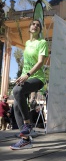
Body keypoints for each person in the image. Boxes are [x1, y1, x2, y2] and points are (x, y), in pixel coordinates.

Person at [10, 19, 48, 150]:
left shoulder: (42, 42)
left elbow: (40, 62)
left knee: (16, 91)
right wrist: (22, 76)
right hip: (26, 77)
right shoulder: (27, 43)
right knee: (16, 105)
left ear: (40, 30)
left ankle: (28, 124)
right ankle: (25, 140)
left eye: (38, 25)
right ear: (30, 28)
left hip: (37, 78)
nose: (35, 26)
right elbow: (26, 63)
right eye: (33, 24)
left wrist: (28, 75)